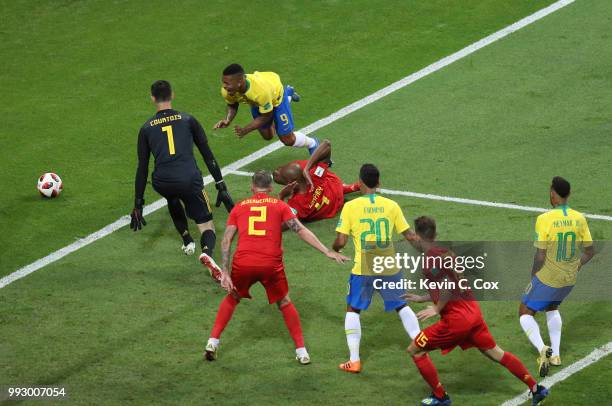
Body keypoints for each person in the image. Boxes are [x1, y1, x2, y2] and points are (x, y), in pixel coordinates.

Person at [201, 170, 349, 364]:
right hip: (270, 264)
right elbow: (300, 230)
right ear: (270, 188)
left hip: (243, 263)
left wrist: (225, 271)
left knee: (233, 296)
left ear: (252, 187)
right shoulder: (279, 205)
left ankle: (212, 342)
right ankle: (302, 351)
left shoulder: (239, 207)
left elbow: (226, 240)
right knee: (285, 302)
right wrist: (326, 251)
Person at [404, 216, 548, 406]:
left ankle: (440, 396)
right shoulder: (447, 253)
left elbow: (447, 285)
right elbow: (456, 283)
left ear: (416, 236)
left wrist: (436, 308)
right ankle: (536, 389)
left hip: (456, 321)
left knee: (415, 350)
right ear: (435, 233)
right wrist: (422, 297)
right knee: (496, 353)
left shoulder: (430, 260)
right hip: (472, 313)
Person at [130, 80, 234, 264]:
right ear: (173, 95)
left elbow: (142, 167)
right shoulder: (188, 119)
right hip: (188, 178)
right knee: (206, 225)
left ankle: (187, 239)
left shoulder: (146, 128)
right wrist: (220, 184)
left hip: (162, 181)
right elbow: (207, 155)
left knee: (172, 196)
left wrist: (138, 202)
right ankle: (207, 254)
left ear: (153, 98)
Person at [332, 163, 421, 373]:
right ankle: (422, 343)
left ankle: (354, 361)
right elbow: (410, 236)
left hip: (364, 267)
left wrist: (334, 248)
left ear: (360, 182)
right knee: (401, 304)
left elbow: (341, 241)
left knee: (353, 308)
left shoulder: (351, 207)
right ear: (379, 183)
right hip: (388, 264)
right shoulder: (391, 205)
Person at [519, 176, 594, 376]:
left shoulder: (544, 219)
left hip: (548, 278)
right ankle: (557, 354)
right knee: (552, 306)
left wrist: (533, 277)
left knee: (525, 312)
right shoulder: (580, 218)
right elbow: (589, 251)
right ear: (568, 195)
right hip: (569, 279)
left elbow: (540, 255)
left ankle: (543, 349)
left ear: (553, 194)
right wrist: (575, 267)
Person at [213, 63, 320, 154]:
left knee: (287, 139)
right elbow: (232, 105)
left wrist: (246, 130)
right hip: (259, 103)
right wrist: (228, 120)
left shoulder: (260, 92)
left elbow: (266, 116)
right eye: (223, 82)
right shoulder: (227, 91)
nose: (224, 86)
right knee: (268, 136)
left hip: (276, 95)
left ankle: (313, 143)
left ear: (240, 82)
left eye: (227, 83)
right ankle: (289, 94)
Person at [273, 139, 359, 222]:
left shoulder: (296, 204)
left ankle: (347, 188)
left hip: (331, 206)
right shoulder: (315, 177)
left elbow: (282, 222)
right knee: (313, 167)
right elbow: (327, 144)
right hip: (334, 192)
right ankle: (347, 188)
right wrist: (307, 169)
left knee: (283, 173)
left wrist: (281, 196)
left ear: (291, 183)